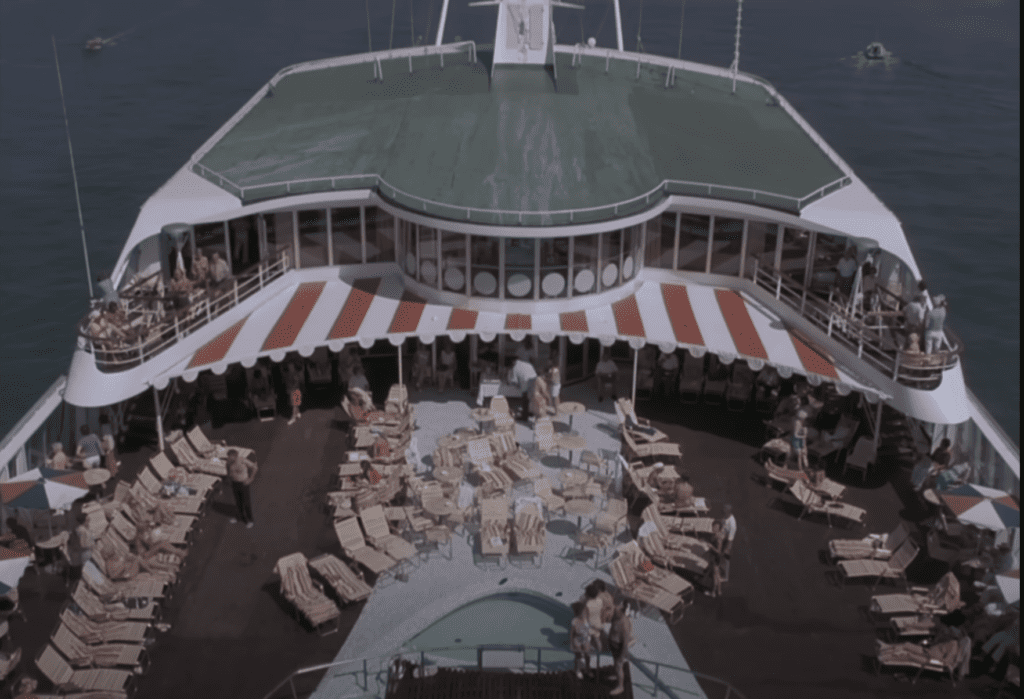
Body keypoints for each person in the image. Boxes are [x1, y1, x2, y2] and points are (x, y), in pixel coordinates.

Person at [226, 449, 258, 527]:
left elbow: (255, 468)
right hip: (234, 484)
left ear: (235, 456)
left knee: (246, 502)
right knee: (238, 502)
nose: (229, 458)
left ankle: (250, 520)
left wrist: (251, 479)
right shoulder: (228, 463)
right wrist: (230, 480)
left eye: (230, 456)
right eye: (228, 456)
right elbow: (228, 472)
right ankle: (239, 517)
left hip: (243, 484)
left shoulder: (242, 460)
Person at [607, 602, 634, 695]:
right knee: (616, 664)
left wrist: (622, 657)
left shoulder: (624, 624)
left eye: (617, 609)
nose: (615, 609)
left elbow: (625, 644)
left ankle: (620, 686)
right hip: (614, 645)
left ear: (622, 611)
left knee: (619, 666)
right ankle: (617, 676)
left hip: (619, 647)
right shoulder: (616, 615)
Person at [570, 602, 593, 680]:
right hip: (577, 639)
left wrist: (590, 638)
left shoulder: (587, 618)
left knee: (587, 656)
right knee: (579, 656)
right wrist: (572, 643)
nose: (585, 611)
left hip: (585, 639)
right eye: (584, 610)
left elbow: (589, 630)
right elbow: (572, 633)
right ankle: (577, 670)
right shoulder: (575, 621)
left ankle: (587, 669)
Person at [705, 520, 727, 597]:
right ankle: (719, 590)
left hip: (715, 559)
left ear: (719, 529)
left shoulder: (718, 538)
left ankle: (713, 593)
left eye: (716, 527)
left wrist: (711, 547)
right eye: (713, 526)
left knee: (715, 576)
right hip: (714, 557)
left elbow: (718, 551)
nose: (713, 528)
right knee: (717, 575)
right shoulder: (714, 535)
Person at [721, 504, 737, 582]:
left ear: (728, 511)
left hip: (727, 542)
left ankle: (725, 577)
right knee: (721, 556)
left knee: (726, 560)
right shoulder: (725, 516)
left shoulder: (732, 524)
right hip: (723, 539)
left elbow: (730, 540)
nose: (722, 510)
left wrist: (726, 549)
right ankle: (721, 569)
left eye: (724, 509)